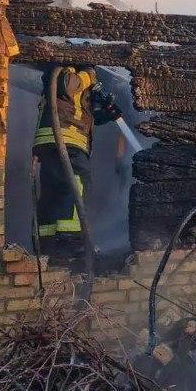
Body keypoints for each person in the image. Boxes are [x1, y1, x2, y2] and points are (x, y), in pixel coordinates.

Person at [33, 65, 120, 263]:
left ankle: (49, 243)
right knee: (78, 184)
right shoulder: (64, 70)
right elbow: (67, 86)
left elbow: (81, 115)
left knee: (54, 190)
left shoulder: (76, 82)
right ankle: (72, 240)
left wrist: (108, 113)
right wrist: (89, 75)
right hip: (65, 139)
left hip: (56, 140)